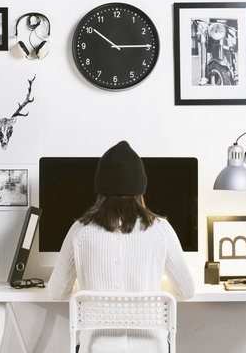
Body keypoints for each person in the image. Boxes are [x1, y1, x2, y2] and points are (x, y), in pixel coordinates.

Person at [48, 141, 195, 353]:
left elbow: (57, 292)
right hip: (151, 348)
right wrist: (151, 292)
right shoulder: (161, 230)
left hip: (96, 348)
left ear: (100, 189)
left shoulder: (80, 231)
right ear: (140, 189)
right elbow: (186, 291)